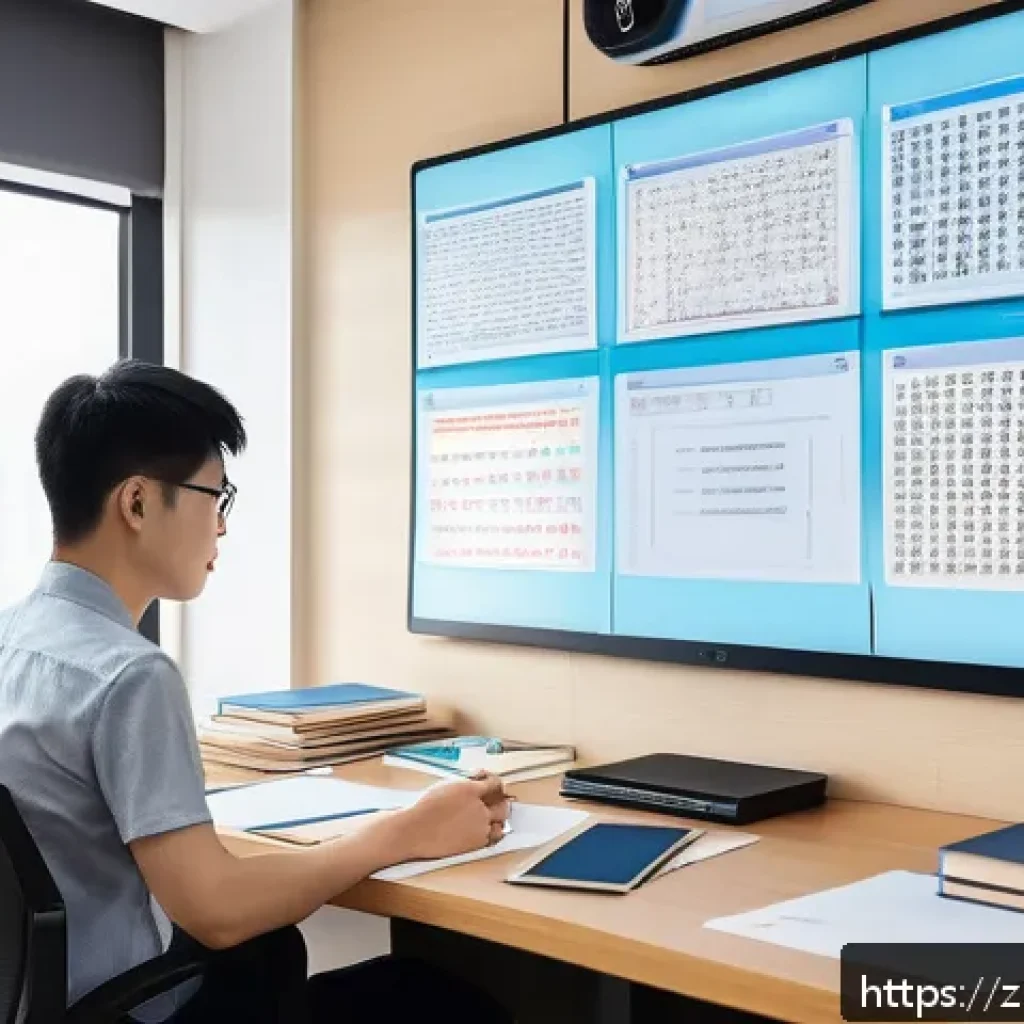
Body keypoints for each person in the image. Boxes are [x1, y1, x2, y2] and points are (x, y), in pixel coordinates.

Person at [0, 360, 512, 1023]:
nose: (221, 526)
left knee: (273, 952)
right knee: (436, 1000)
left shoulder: (14, 639)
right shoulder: (130, 675)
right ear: (136, 502)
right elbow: (215, 911)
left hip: (40, 1001)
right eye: (215, 496)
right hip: (125, 1010)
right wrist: (402, 832)